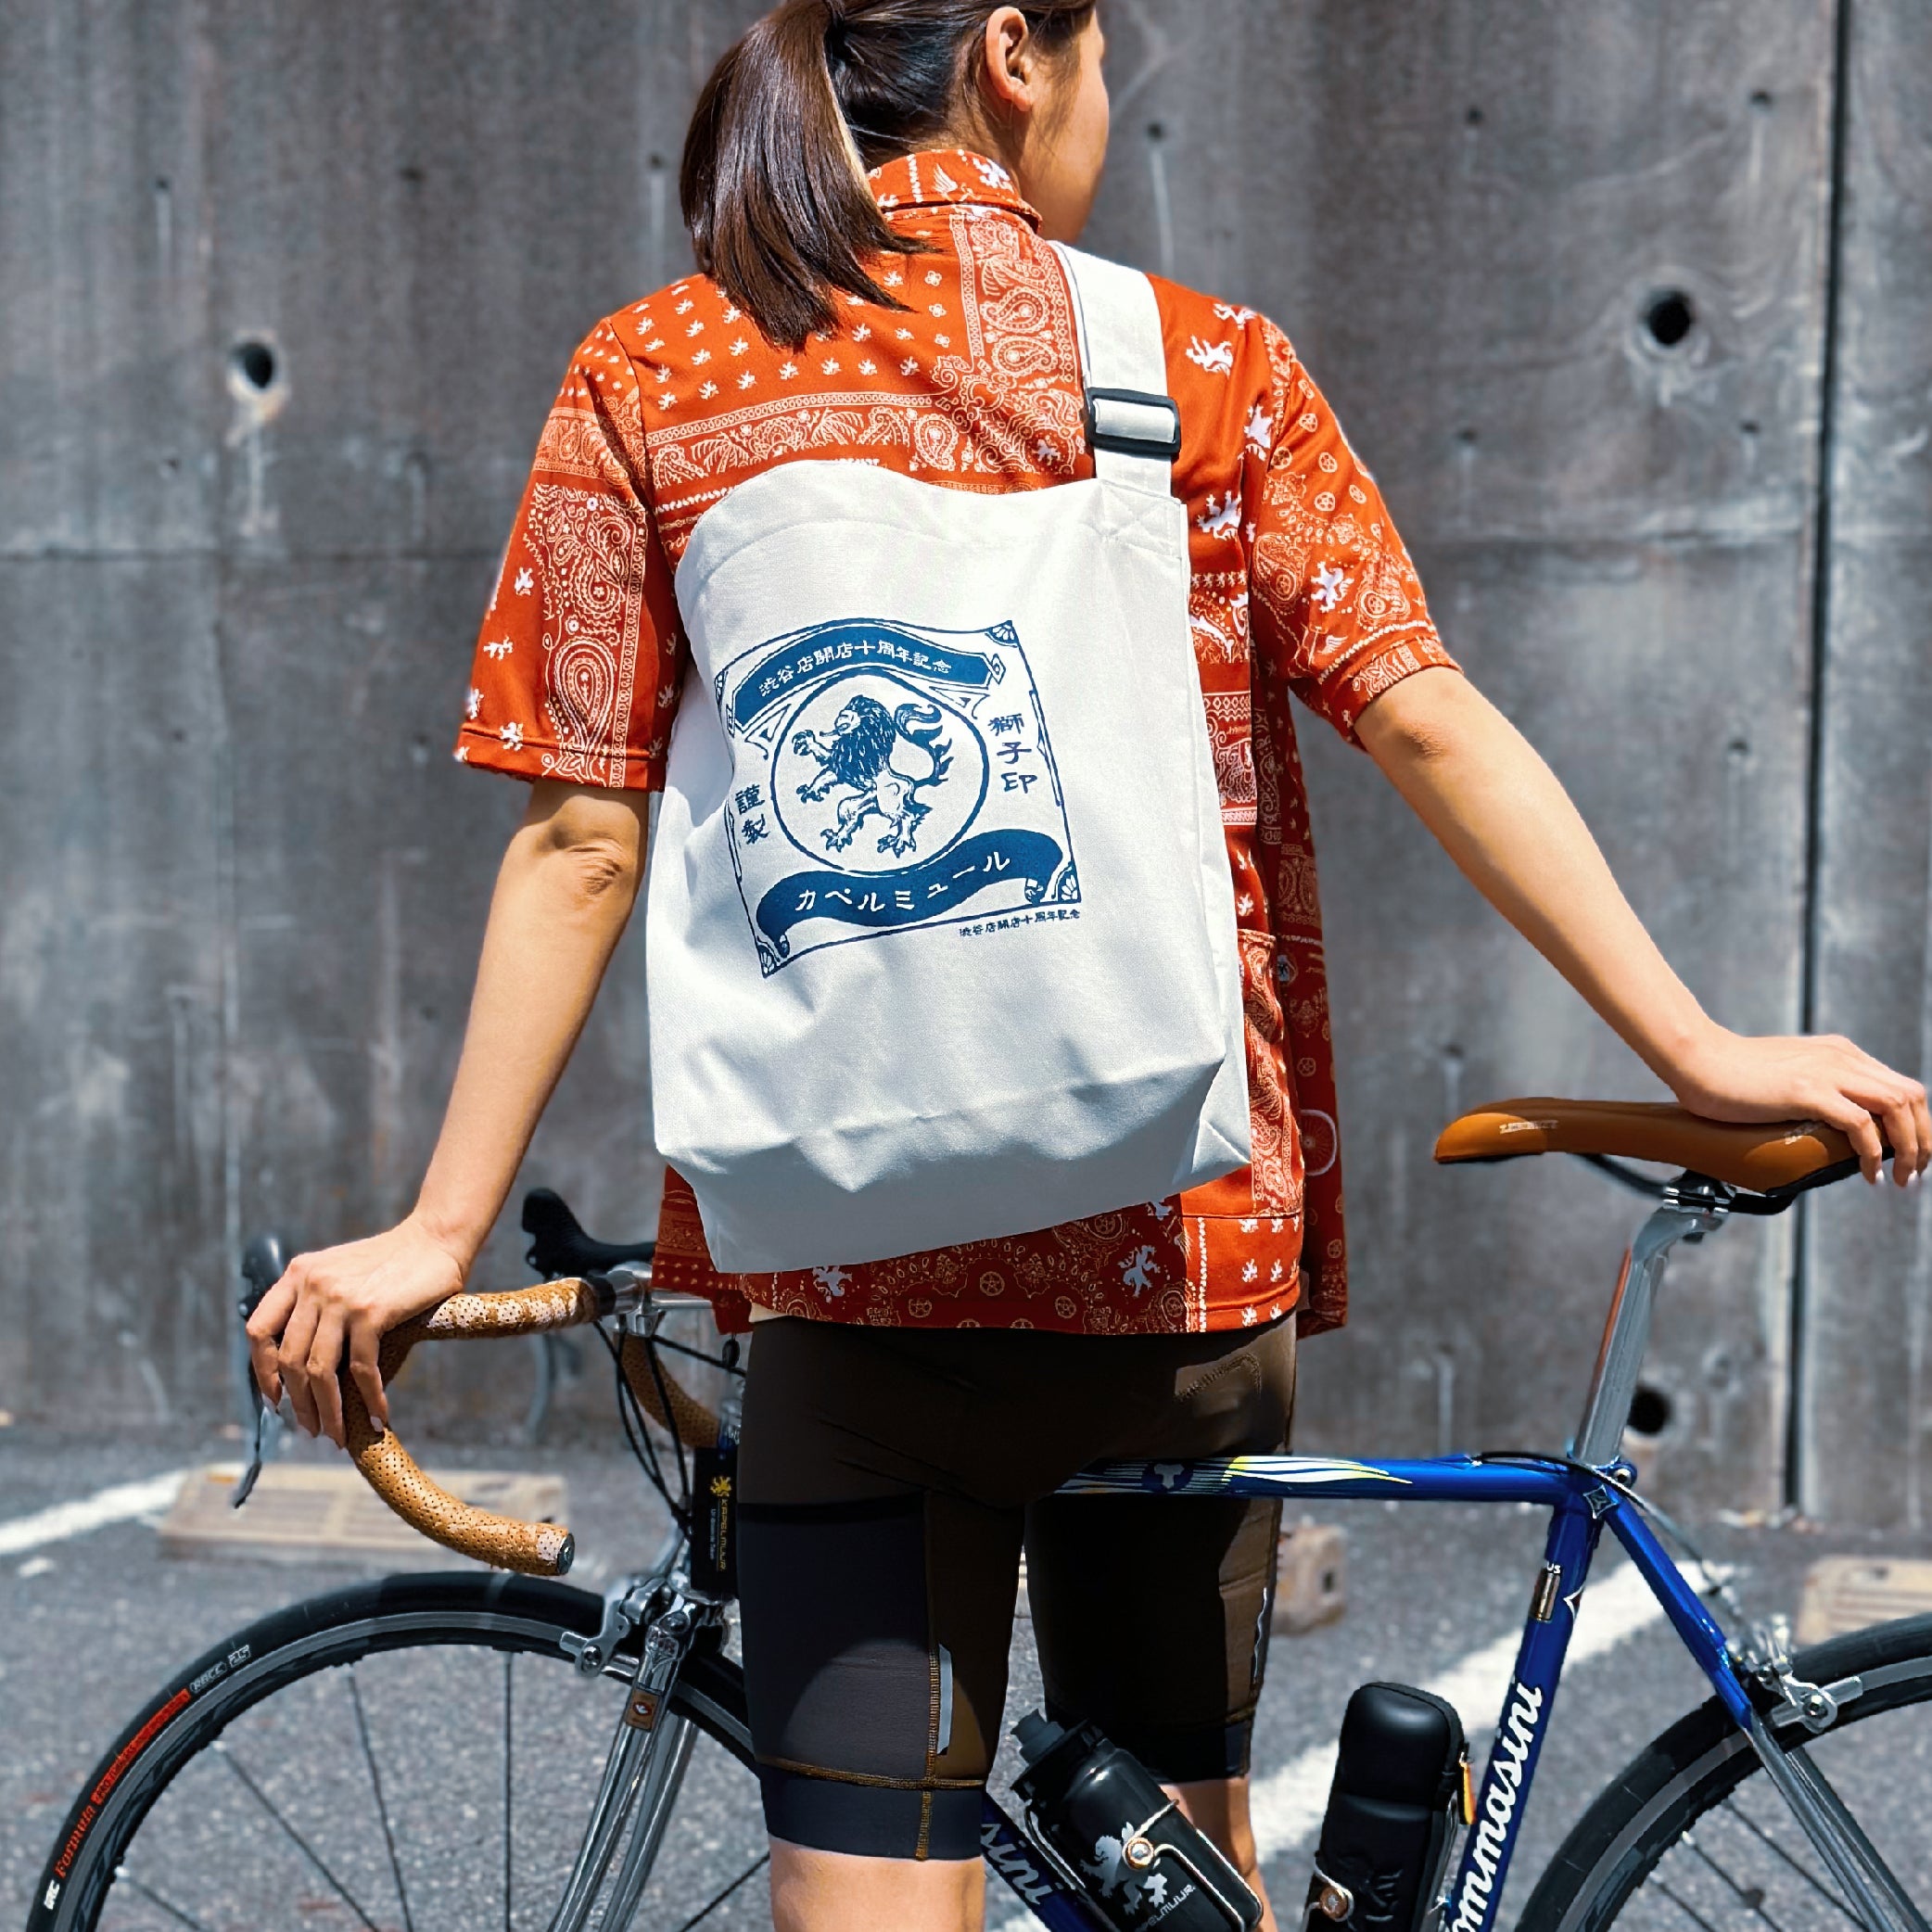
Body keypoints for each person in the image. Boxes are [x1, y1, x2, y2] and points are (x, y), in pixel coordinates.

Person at [246, 6, 1929, 1928]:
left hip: (857, 1285)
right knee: (1184, 1894)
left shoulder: (657, 371)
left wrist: (439, 1228)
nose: (1106, 112)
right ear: (1014, 55)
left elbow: (581, 840)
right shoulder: (1202, 365)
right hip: (1177, 1273)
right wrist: (1697, 1045)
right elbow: (1421, 710)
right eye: (1106, 61)